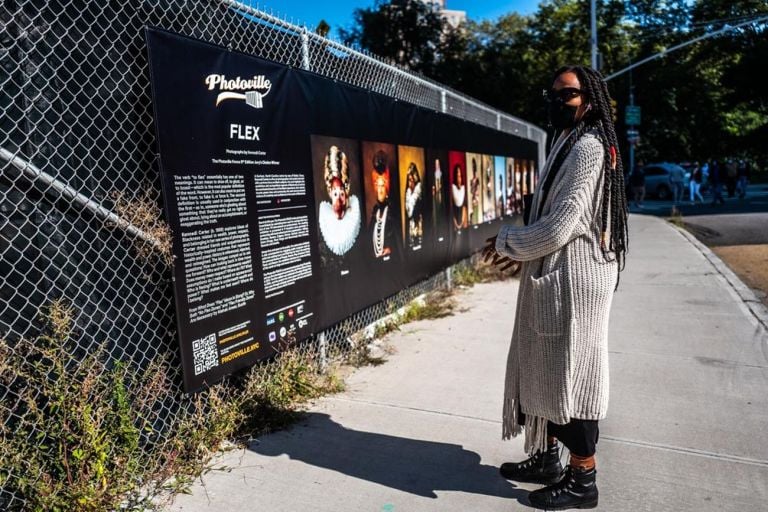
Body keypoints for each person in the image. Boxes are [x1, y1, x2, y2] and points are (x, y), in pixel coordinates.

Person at [482, 64, 629, 511]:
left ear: (590, 98)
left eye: (566, 94)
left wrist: (508, 243)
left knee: (574, 376)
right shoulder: (568, 140)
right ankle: (546, 457)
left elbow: (561, 226)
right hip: (557, 275)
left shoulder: (588, 147)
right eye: (552, 93)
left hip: (575, 280)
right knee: (543, 367)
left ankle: (583, 478)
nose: (557, 101)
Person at [451, 163, 468, 230]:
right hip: (455, 219)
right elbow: (452, 206)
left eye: (460, 176)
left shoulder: (463, 189)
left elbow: (464, 206)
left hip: (463, 219)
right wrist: (455, 223)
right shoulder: (453, 188)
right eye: (457, 176)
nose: (459, 179)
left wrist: (462, 222)